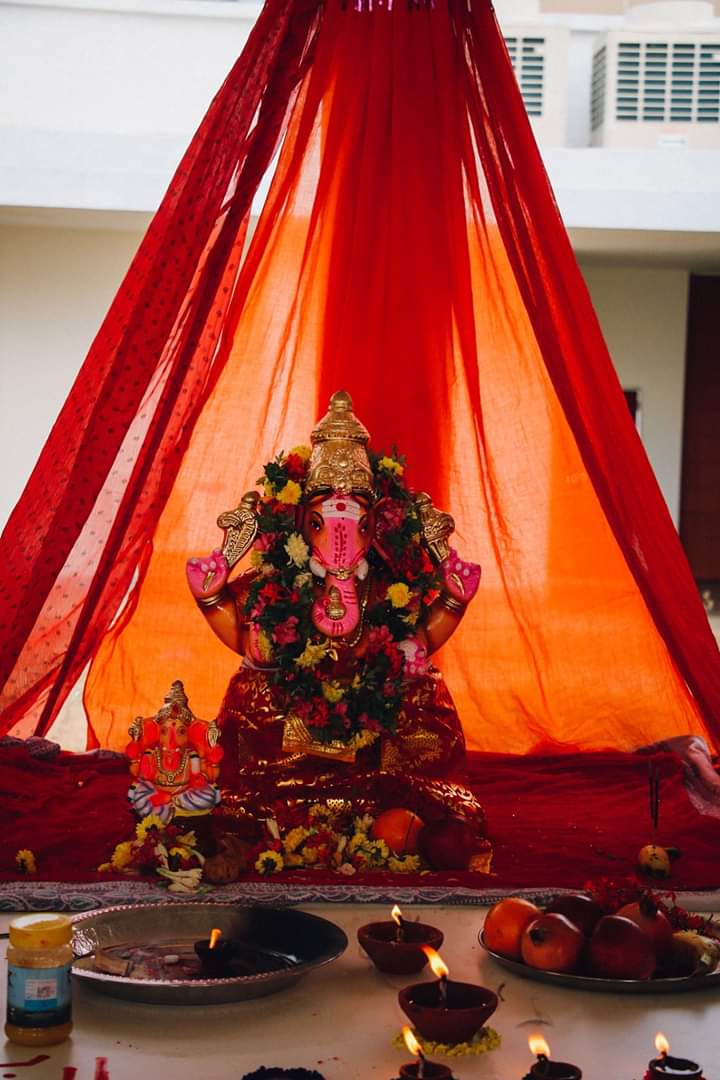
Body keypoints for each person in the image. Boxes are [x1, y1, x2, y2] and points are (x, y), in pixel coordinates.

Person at [185, 392, 486, 842]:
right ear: (303, 522)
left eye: (356, 525)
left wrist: (452, 604)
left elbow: (421, 637)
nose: (340, 542)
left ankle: (392, 810)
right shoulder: (277, 581)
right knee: (255, 691)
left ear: (375, 526)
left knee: (421, 691)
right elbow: (245, 637)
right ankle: (275, 810)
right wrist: (211, 599)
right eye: (324, 523)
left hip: (371, 737)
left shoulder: (388, 586)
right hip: (289, 737)